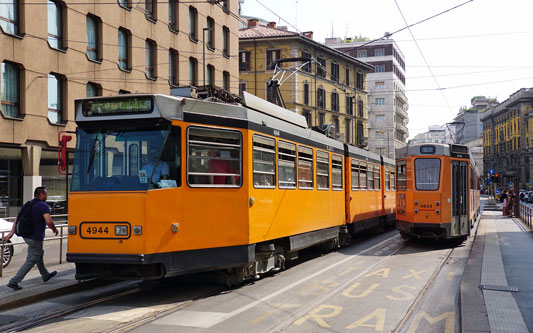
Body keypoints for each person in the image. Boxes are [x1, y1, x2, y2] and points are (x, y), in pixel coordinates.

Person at [3, 187, 59, 290]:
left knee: (38, 254)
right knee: (32, 259)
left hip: (26, 235)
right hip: (35, 237)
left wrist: (12, 232)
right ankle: (14, 281)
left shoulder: (28, 204)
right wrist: (54, 229)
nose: (46, 196)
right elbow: (49, 221)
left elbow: (17, 219)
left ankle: (45, 274)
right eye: (46, 194)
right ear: (42, 194)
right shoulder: (43, 206)